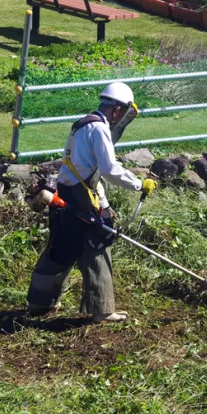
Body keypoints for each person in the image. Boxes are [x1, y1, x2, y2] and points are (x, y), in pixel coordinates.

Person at [27, 82, 157, 323]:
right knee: (97, 244)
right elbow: (108, 170)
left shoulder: (82, 123)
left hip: (67, 191)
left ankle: (39, 302)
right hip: (78, 196)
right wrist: (139, 184)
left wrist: (104, 205)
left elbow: (88, 173)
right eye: (123, 114)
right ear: (118, 110)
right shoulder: (99, 129)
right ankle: (103, 310)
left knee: (62, 247)